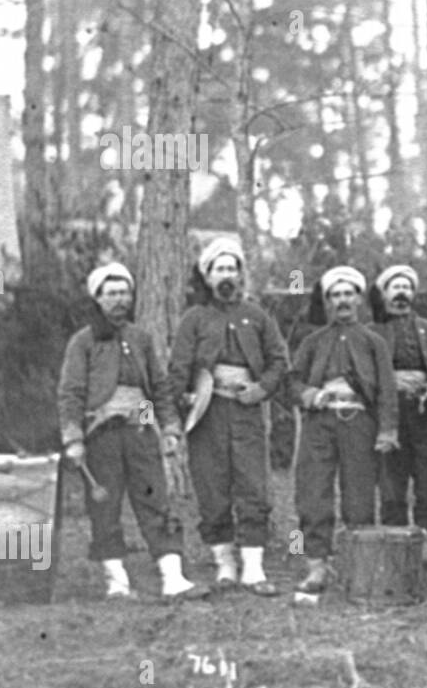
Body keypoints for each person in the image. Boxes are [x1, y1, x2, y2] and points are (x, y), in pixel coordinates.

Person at [58, 263, 207, 601]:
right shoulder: (83, 342)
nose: (119, 300)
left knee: (155, 500)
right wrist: (73, 438)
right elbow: (71, 393)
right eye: (111, 294)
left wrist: (169, 428)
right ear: (97, 298)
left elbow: (158, 387)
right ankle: (117, 581)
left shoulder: (140, 339)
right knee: (105, 508)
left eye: (124, 292)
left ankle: (172, 576)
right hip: (101, 434)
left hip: (140, 428)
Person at [169, 237, 289, 596]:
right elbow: (178, 367)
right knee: (212, 487)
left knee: (253, 485)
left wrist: (261, 389)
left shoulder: (258, 316)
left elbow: (279, 360)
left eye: (232, 268)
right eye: (219, 269)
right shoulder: (194, 319)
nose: (226, 275)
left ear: (241, 275)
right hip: (207, 414)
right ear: (207, 276)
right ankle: (224, 564)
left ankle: (254, 567)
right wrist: (185, 398)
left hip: (247, 411)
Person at [289, 267, 400, 594]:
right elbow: (292, 381)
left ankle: (358, 565)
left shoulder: (373, 341)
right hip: (319, 424)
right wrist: (309, 394)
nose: (342, 301)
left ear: (359, 298)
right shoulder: (313, 341)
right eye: (335, 295)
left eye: (348, 294)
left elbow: (387, 390)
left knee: (359, 494)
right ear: (327, 301)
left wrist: (388, 430)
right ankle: (316, 566)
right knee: (313, 492)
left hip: (359, 424)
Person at [367, 265, 427, 572]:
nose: (401, 292)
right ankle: (396, 549)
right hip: (389, 416)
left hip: (425, 415)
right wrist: (391, 382)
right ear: (384, 293)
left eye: (406, 287)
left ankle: (426, 545)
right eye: (395, 287)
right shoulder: (371, 331)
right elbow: (361, 375)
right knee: (391, 482)